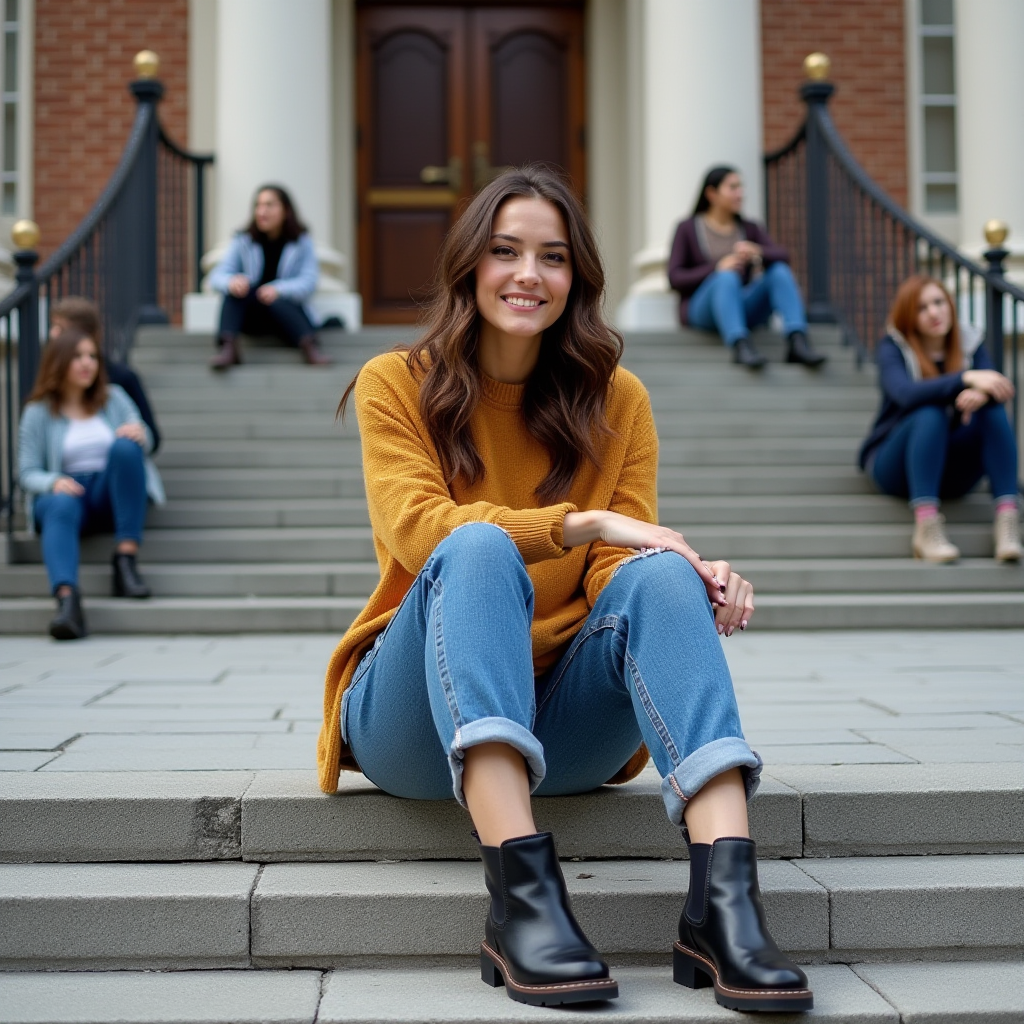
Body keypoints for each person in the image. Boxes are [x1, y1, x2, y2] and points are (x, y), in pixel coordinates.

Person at [318, 166, 813, 1013]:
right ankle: (525, 906)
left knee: (658, 568)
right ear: (470, 265)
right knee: (475, 546)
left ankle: (726, 909)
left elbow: (623, 565)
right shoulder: (395, 380)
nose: (527, 275)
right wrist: (577, 523)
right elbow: (419, 528)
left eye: (552, 257)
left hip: (564, 722)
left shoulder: (617, 398)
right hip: (414, 720)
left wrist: (686, 576)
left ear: (576, 279)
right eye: (506, 251)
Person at [859, 274, 1021, 563]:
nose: (934, 312)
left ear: (950, 304)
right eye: (922, 308)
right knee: (929, 413)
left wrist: (982, 394)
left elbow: (997, 384)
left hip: (954, 471)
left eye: (938, 302)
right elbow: (905, 393)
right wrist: (966, 378)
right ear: (909, 316)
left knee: (993, 408)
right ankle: (926, 525)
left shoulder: (970, 341)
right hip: (895, 468)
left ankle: (1007, 521)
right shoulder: (893, 347)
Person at [17, 327, 165, 640]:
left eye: (92, 357)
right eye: (78, 357)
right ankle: (68, 601)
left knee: (126, 447)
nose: (88, 364)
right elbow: (27, 471)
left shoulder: (114, 398)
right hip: (66, 496)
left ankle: (125, 560)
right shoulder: (37, 412)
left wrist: (141, 435)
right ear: (59, 363)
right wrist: (54, 480)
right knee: (59, 502)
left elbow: (147, 442)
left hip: (106, 492)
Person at [667, 165, 826, 369]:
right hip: (701, 310)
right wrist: (717, 267)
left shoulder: (749, 228)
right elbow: (675, 277)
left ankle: (797, 340)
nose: (740, 193)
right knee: (727, 276)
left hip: (743, 308)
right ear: (711, 193)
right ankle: (740, 344)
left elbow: (784, 256)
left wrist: (758, 252)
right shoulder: (687, 228)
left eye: (741, 187)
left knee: (779, 271)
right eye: (733, 187)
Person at [207, 184, 331, 369]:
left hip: (286, 317)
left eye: (269, 205)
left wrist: (278, 289)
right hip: (252, 319)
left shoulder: (302, 242)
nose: (261, 211)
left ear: (285, 210)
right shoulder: (243, 239)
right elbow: (217, 276)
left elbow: (309, 282)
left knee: (276, 300)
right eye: (258, 205)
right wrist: (232, 281)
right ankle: (228, 349)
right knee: (235, 293)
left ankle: (310, 347)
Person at [49, 296, 162, 455]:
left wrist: (139, 435)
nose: (52, 334)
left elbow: (152, 437)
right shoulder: (47, 382)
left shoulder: (119, 384)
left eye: (60, 328)